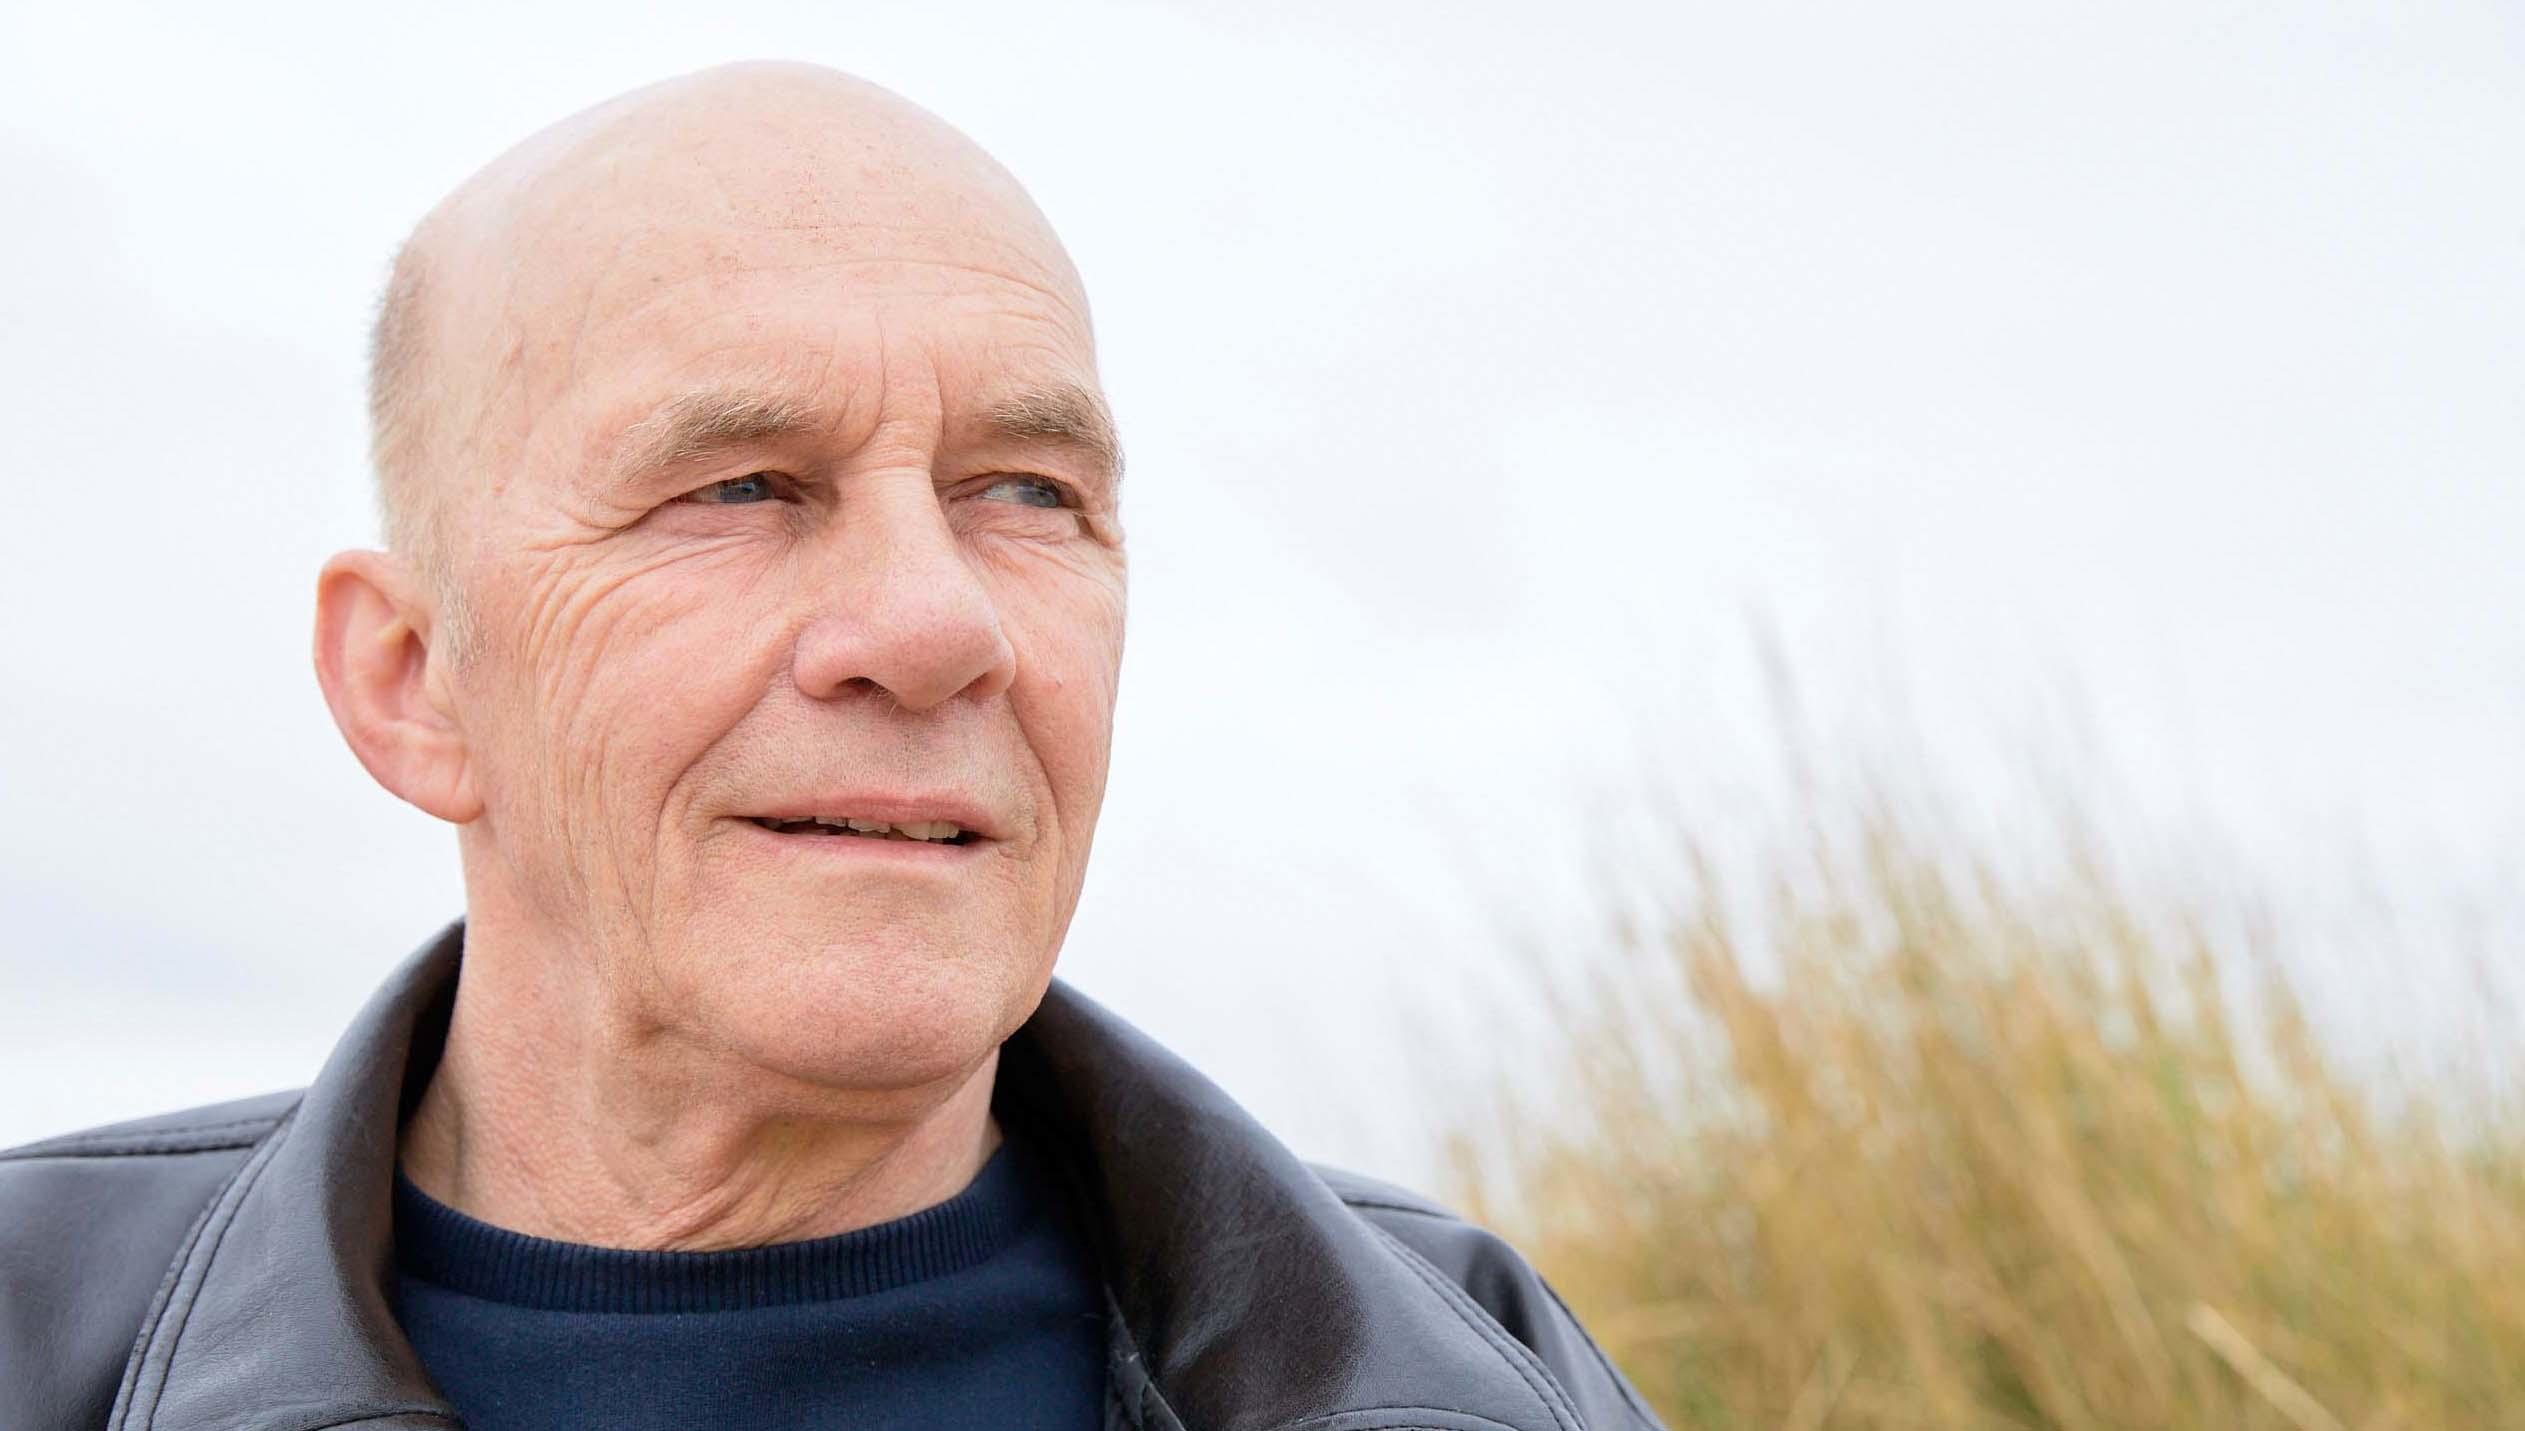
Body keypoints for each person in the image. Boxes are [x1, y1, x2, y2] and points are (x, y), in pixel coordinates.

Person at [0, 61, 1661, 1431]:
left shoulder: (1475, 1373)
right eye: (739, 490)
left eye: (1026, 493)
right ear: (416, 682)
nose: (938, 628)